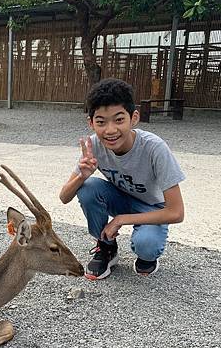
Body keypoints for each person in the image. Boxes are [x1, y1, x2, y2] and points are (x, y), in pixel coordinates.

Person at [59, 78, 185, 280]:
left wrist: (121, 220)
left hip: (153, 207)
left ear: (133, 118)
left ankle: (147, 256)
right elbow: (64, 197)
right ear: (91, 123)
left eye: (119, 120)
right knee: (88, 187)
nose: (110, 130)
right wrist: (82, 176)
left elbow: (177, 212)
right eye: (101, 122)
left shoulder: (154, 148)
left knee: (147, 246)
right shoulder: (94, 145)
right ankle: (106, 247)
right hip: (121, 198)